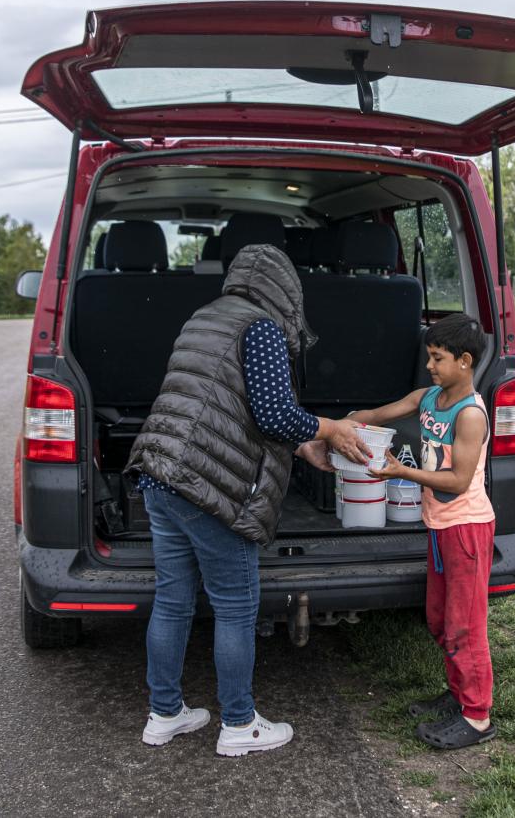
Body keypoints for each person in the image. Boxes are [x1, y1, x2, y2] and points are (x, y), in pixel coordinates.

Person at [125, 243, 372, 757]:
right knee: (237, 607)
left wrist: (303, 444)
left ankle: (164, 714)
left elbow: (230, 401)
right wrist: (329, 427)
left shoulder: (206, 317)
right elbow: (274, 415)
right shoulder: (259, 328)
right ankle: (238, 723)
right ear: (285, 289)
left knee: (173, 599)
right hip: (207, 485)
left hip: (160, 471)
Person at [353, 312, 498, 750]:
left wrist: (401, 471)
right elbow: (378, 413)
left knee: (465, 628)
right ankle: (458, 694)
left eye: (438, 358)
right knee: (438, 619)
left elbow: (457, 481)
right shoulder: (429, 397)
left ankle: (477, 717)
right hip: (439, 528)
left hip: (467, 528)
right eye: (429, 357)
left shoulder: (470, 416)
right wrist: (345, 425)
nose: (430, 365)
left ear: (465, 361)